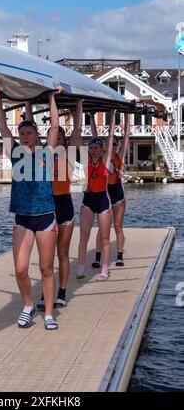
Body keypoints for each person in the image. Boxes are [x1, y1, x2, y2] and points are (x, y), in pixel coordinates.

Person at [0, 87, 61, 330]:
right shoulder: (15, 155)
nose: (24, 137)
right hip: (22, 217)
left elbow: (54, 127)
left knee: (45, 268)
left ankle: (50, 314)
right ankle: (27, 305)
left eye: (28, 133)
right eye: (21, 133)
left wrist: (53, 97)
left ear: (36, 136)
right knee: (21, 269)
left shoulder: (47, 153)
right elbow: (3, 128)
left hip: (45, 217)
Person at [25, 100, 83, 309]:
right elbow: (30, 125)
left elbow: (77, 129)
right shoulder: (43, 154)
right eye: (53, 136)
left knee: (63, 253)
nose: (56, 138)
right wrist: (27, 104)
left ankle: (62, 292)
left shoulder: (69, 154)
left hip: (64, 204)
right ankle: (45, 292)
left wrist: (78, 106)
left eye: (59, 136)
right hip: (47, 205)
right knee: (46, 256)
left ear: (64, 140)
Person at [77, 109, 116, 281]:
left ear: (102, 150)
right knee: (83, 236)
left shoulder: (106, 161)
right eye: (91, 148)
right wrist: (81, 114)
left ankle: (105, 269)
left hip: (102, 201)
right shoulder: (86, 161)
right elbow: (78, 139)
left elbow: (108, 138)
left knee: (105, 237)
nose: (93, 150)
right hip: (88, 200)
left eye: (96, 148)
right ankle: (80, 268)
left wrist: (112, 115)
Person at [90, 113, 130, 267]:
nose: (112, 146)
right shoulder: (101, 157)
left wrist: (127, 118)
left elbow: (126, 136)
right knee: (102, 227)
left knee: (118, 226)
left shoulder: (120, 156)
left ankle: (119, 255)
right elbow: (95, 137)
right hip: (104, 193)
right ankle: (97, 257)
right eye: (109, 143)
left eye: (114, 144)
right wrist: (92, 118)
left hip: (117, 193)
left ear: (117, 146)